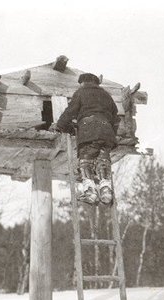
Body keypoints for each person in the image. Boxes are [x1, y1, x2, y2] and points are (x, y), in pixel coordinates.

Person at [55, 73, 120, 205]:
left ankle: (90, 193)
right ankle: (106, 191)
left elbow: (70, 111)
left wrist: (61, 126)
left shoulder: (81, 92)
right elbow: (115, 114)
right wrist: (110, 131)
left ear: (82, 82)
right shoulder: (107, 95)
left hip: (88, 131)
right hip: (106, 132)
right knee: (103, 161)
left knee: (86, 162)